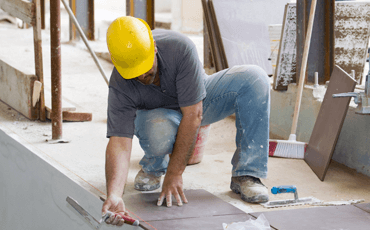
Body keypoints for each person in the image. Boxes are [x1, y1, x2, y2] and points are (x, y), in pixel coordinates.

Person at [101, 16, 270, 226]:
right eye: (137, 74)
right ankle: (154, 166)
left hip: (197, 100)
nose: (144, 75)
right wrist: (115, 194)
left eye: (147, 68)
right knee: (158, 127)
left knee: (255, 79)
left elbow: (193, 115)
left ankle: (247, 173)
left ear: (153, 47)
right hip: (158, 117)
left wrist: (175, 173)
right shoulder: (119, 84)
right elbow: (119, 141)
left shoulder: (179, 48)